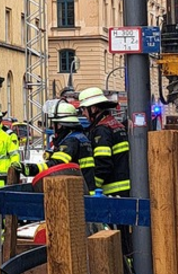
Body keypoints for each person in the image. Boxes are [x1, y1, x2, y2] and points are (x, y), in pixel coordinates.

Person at [78, 87, 132, 258]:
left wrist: (93, 190)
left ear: (93, 109)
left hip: (112, 193)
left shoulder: (101, 130)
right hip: (124, 191)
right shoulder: (115, 125)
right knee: (125, 239)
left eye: (83, 110)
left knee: (115, 241)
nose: (83, 114)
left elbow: (103, 164)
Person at [13, 100, 96, 194]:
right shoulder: (79, 137)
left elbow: (57, 164)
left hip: (80, 193)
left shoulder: (71, 141)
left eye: (54, 123)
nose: (53, 127)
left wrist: (30, 169)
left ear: (62, 125)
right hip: (86, 190)